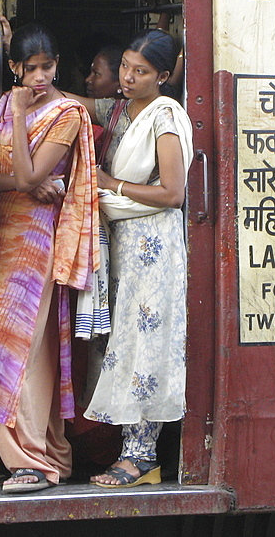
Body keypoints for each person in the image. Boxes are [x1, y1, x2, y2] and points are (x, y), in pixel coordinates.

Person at [0, 22, 99, 494]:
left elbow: (27, 174)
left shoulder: (67, 114)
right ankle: (48, 455)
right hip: (8, 238)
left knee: (8, 346)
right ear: (14, 68)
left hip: (42, 243)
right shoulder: (0, 104)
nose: (40, 76)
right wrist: (21, 182)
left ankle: (30, 463)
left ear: (57, 64)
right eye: (30, 69)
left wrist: (21, 117)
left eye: (47, 67)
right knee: (33, 346)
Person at [76, 29, 193, 489]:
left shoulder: (165, 117)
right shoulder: (121, 108)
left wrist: (111, 184)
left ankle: (141, 457)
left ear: (163, 76)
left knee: (147, 344)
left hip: (153, 244)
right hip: (124, 240)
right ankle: (128, 450)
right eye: (125, 65)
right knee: (121, 341)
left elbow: (172, 193)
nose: (127, 76)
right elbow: (71, 100)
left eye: (140, 71)